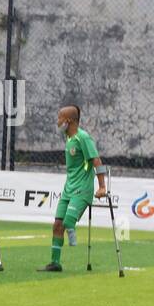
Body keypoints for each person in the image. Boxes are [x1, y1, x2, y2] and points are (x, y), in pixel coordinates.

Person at [39, 105, 108, 272]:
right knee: (57, 225)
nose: (58, 122)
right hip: (68, 189)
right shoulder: (69, 138)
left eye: (60, 118)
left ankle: (72, 231)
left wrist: (102, 187)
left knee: (68, 221)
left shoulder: (83, 138)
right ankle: (55, 263)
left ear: (68, 121)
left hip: (82, 189)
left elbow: (96, 161)